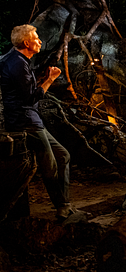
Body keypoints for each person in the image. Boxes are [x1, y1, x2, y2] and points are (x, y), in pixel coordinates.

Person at [0, 24, 75, 219]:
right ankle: (61, 206)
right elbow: (30, 98)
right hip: (25, 122)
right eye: (36, 38)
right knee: (50, 164)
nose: (40, 41)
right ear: (26, 43)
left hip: (27, 119)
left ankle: (64, 203)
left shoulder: (15, 58)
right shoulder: (17, 64)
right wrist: (50, 79)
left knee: (63, 155)